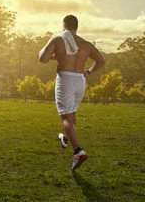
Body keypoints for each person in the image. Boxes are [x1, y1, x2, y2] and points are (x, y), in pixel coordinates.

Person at [38, 15, 105, 170]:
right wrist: (88, 71)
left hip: (65, 79)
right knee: (72, 113)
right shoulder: (86, 44)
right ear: (77, 27)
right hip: (80, 81)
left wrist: (49, 46)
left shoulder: (58, 39)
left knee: (66, 117)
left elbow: (43, 59)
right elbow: (101, 61)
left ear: (64, 25)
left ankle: (78, 151)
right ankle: (66, 139)